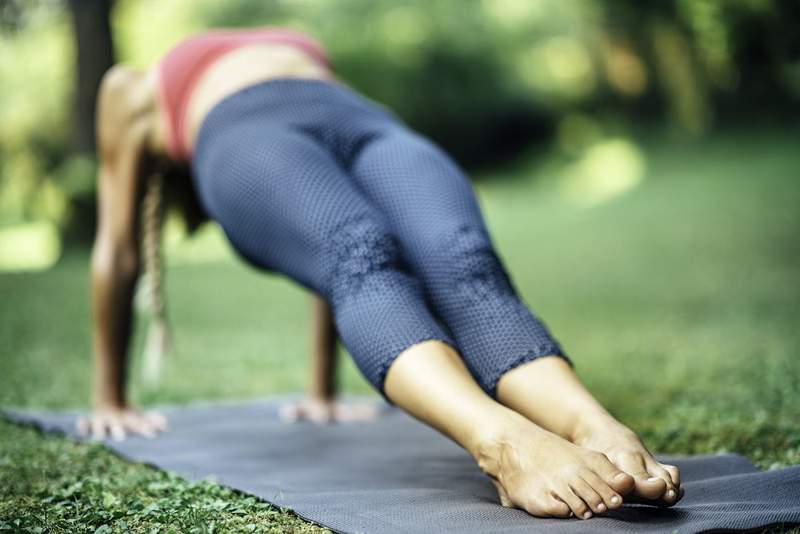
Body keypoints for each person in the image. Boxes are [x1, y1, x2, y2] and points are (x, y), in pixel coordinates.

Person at [81, 26, 682, 519]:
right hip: (242, 135)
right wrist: (110, 398)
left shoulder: (308, 50)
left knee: (464, 259)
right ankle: (504, 443)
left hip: (362, 122)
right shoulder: (128, 88)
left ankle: (595, 426)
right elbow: (117, 247)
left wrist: (323, 392)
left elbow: (333, 236)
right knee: (359, 253)